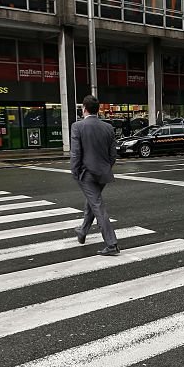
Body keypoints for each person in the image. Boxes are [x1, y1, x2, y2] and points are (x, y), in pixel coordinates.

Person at [70, 94, 119, 255]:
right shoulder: (108, 127)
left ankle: (112, 244)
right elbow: (113, 155)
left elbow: (75, 153)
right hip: (103, 173)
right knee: (92, 202)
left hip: (87, 173)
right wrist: (106, 167)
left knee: (97, 205)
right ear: (97, 110)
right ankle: (82, 231)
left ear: (84, 109)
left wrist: (75, 172)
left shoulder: (77, 126)